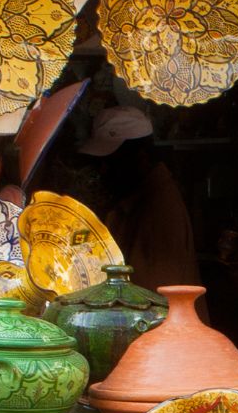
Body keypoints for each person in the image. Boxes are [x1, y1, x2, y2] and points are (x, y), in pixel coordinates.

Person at [80, 106, 198, 290]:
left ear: (141, 157)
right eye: (99, 163)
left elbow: (150, 297)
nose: (103, 170)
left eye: (111, 162)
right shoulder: (131, 203)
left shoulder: (159, 210)